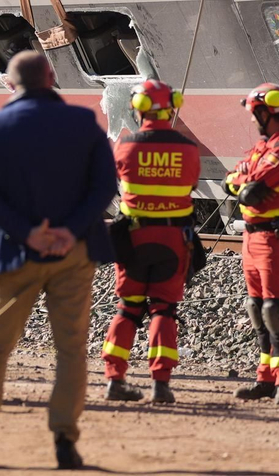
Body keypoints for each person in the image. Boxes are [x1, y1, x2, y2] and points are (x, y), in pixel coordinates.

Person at [0, 52, 116, 471]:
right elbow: (105, 186)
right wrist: (70, 229)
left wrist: (28, 232)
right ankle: (65, 440)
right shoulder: (83, 124)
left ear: (10, 85)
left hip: (15, 253)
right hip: (74, 252)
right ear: (52, 77)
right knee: (71, 350)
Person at [102, 79, 200, 404]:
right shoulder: (188, 149)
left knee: (128, 308)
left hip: (133, 240)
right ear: (172, 106)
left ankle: (115, 379)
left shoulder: (125, 148)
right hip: (173, 241)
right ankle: (161, 384)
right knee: (164, 310)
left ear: (137, 107)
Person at [224, 83, 279, 405]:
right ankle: (266, 378)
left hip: (275, 239)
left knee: (275, 309)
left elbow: (248, 191)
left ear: (265, 112)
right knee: (257, 309)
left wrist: (243, 181)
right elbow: (232, 181)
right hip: (253, 236)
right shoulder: (266, 146)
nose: (252, 120)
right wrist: (243, 180)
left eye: (254, 114)